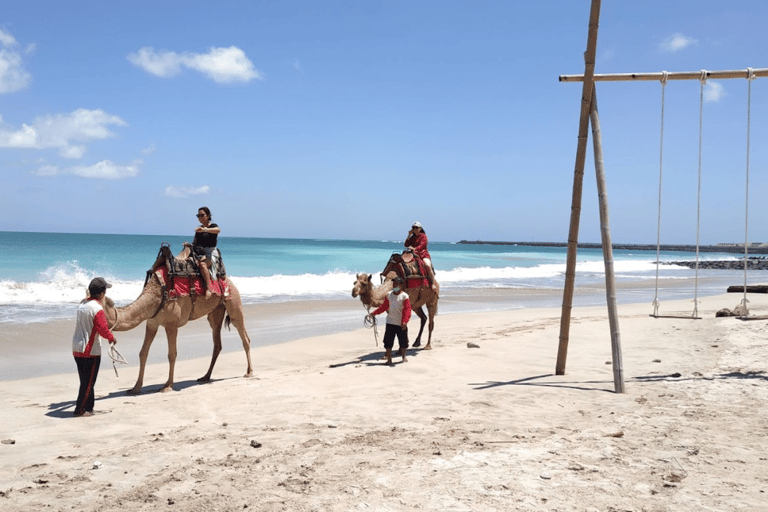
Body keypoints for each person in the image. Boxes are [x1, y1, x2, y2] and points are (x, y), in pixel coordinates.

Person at [71, 277, 117, 417]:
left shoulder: (82, 306)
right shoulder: (97, 309)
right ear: (102, 293)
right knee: (88, 382)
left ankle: (89, 408)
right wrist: (112, 338)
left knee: (85, 380)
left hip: (77, 347)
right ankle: (79, 410)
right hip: (90, 350)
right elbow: (103, 329)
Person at [177, 206, 221, 298]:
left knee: (202, 265)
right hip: (199, 251)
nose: (200, 217)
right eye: (198, 216)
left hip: (210, 252)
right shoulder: (198, 229)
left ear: (208, 215)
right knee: (186, 256)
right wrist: (189, 245)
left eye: (202, 215)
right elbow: (195, 242)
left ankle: (208, 288)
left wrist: (205, 229)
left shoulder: (212, 226)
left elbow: (218, 230)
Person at [367, 276, 411, 365]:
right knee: (388, 342)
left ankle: (403, 356)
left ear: (401, 286)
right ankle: (389, 359)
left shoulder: (404, 296)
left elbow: (407, 310)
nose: (394, 286)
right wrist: (374, 313)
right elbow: (384, 307)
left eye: (396, 284)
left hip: (401, 323)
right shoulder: (389, 295)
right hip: (390, 322)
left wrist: (405, 321)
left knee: (403, 341)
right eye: (394, 284)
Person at [404, 221, 437, 292]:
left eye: (416, 228)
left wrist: (414, 248)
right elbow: (406, 244)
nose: (415, 229)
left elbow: (422, 245)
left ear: (420, 228)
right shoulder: (412, 237)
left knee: (427, 265)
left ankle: (433, 283)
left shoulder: (424, 236)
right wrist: (408, 235)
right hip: (413, 254)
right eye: (413, 228)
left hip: (423, 254)